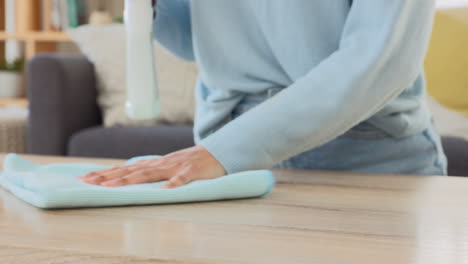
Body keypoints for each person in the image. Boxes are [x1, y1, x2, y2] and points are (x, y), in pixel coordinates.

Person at [80, 0, 447, 188]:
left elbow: (379, 63)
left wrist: (224, 150)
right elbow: (200, 42)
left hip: (366, 156)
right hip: (223, 154)